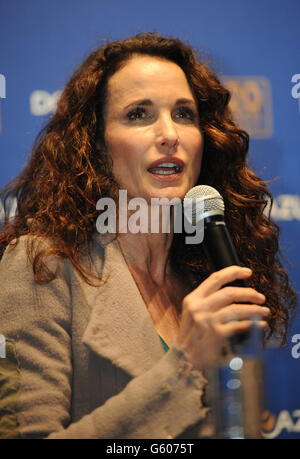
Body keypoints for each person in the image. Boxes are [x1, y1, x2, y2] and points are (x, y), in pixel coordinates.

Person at [0, 33, 296, 439]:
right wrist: (186, 365)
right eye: (139, 114)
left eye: (184, 114)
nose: (169, 134)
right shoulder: (42, 264)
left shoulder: (204, 275)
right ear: (95, 145)